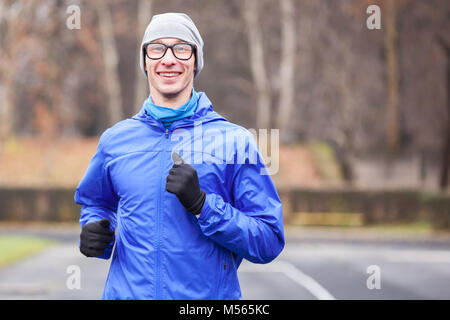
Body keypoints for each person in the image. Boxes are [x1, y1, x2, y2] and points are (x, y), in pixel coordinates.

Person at [74, 12, 284, 300]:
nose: (168, 59)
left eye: (181, 48)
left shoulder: (236, 142)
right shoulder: (115, 141)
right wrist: (95, 228)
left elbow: (268, 240)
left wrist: (203, 205)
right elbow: (97, 204)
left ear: (196, 61)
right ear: (145, 61)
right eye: (157, 48)